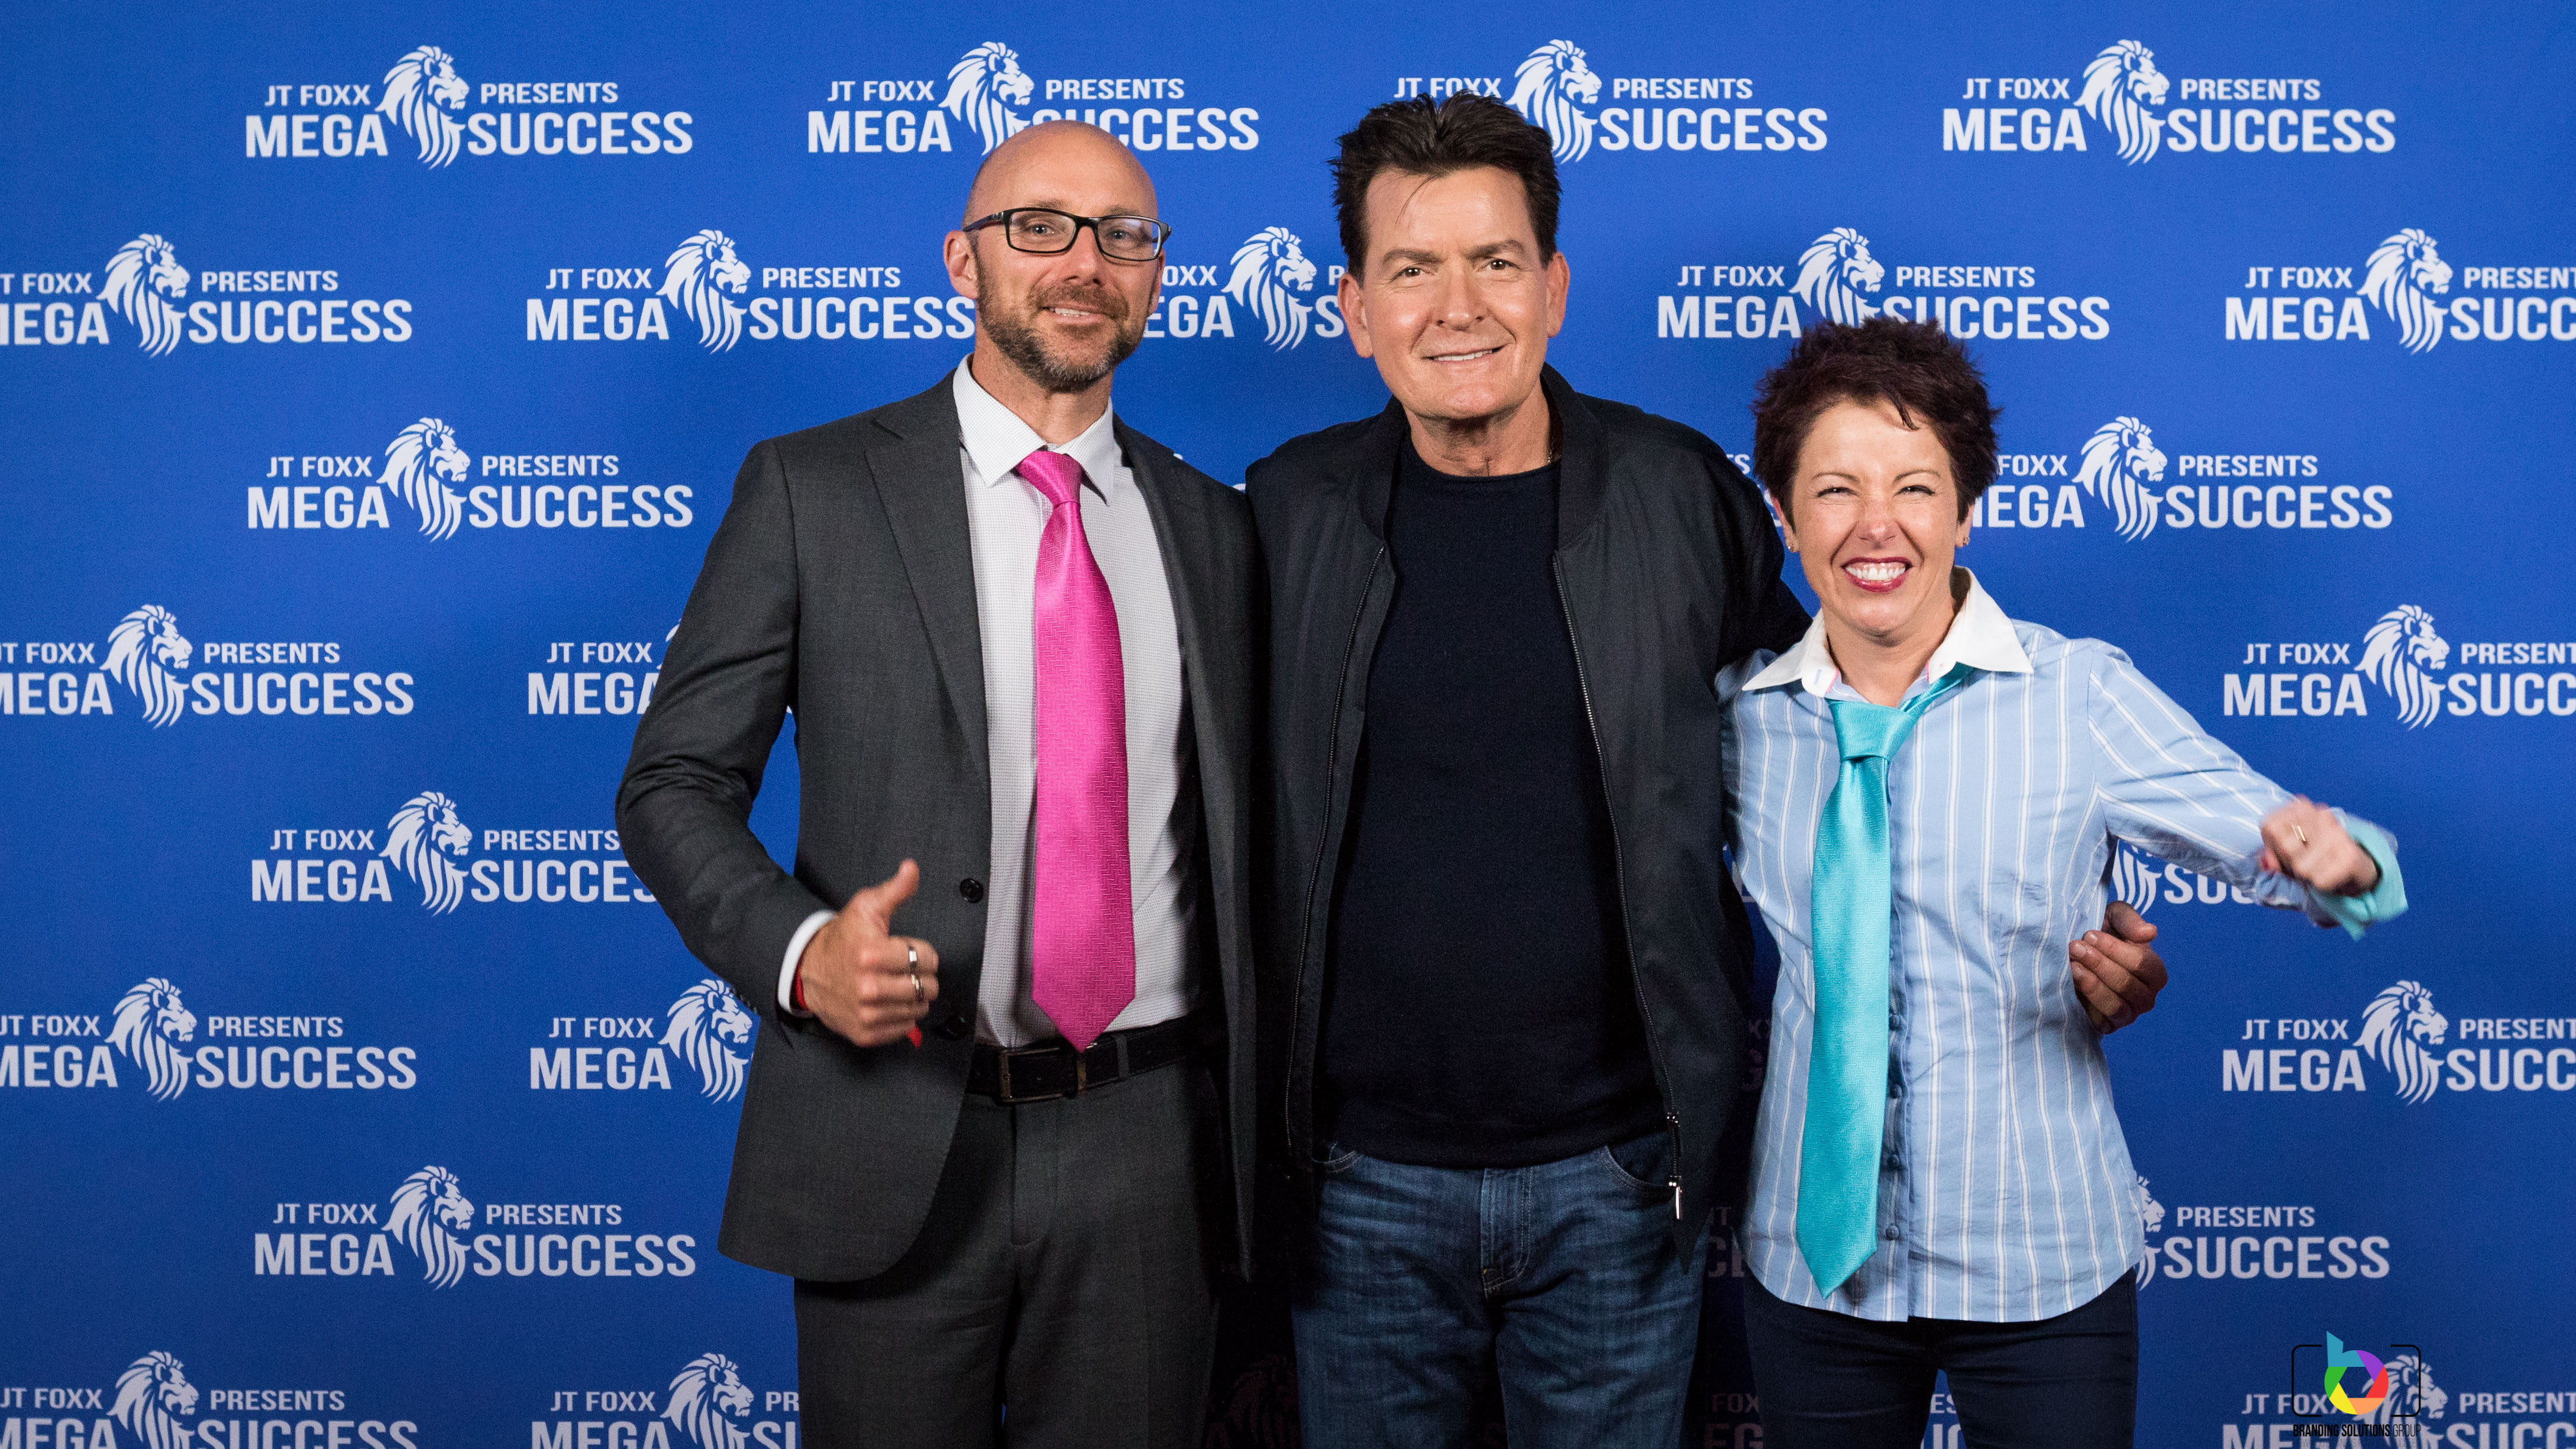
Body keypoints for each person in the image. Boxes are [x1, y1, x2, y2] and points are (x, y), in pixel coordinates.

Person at [1246, 95, 2169, 1449]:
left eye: (1496, 262)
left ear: (1554, 289)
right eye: (1413, 268)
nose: (1459, 307)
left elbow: (1854, 750)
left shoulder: (1681, 497)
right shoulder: (1284, 512)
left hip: (1621, 1180)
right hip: (1359, 1189)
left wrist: (2052, 931)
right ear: (1354, 308)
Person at [616, 122, 1258, 1449]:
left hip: (1152, 1150)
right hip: (892, 1126)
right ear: (963, 261)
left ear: (1155, 276)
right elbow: (674, 781)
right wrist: (801, 952)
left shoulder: (1217, 525)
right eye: (1042, 227)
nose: (1085, 263)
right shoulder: (811, 488)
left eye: (1125, 236)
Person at [1722, 316, 2407, 1449]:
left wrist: (2343, 863)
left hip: (2041, 1261)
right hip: (1814, 1272)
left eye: (1915, 487)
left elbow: (2288, 847)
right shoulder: (1738, 723)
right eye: (1836, 489)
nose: (1877, 524)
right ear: (1787, 519)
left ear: (1966, 511)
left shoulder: (2077, 694)